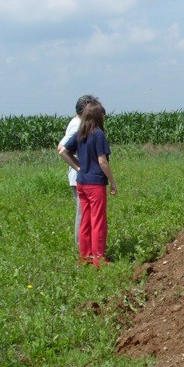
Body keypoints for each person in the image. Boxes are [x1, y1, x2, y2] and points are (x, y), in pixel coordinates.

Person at [58, 102, 117, 267]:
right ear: (98, 116)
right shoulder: (98, 134)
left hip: (81, 182)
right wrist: (112, 182)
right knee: (98, 220)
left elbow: (63, 151)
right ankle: (99, 258)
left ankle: (85, 257)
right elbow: (102, 161)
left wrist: (78, 167)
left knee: (86, 219)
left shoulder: (80, 133)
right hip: (95, 183)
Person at [59, 95, 99, 246]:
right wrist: (79, 166)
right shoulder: (77, 125)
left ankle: (84, 246)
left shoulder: (78, 123)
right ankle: (81, 246)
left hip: (82, 176)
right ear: (84, 110)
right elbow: (62, 148)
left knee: (84, 212)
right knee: (82, 213)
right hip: (81, 177)